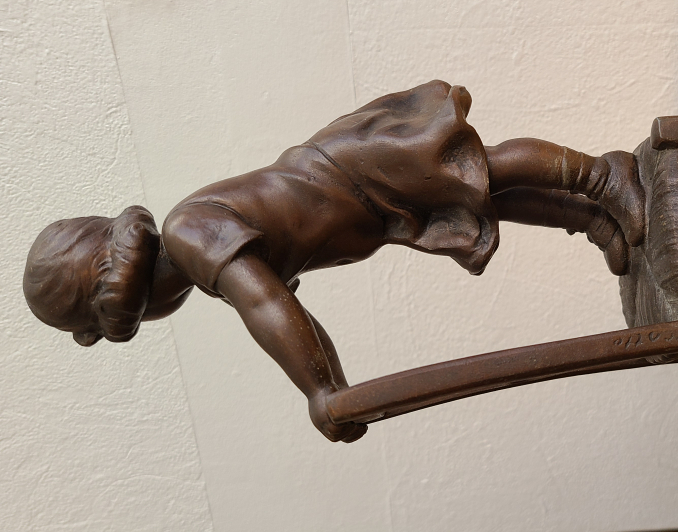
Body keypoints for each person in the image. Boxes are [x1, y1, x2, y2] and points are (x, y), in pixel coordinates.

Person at [24, 81, 644, 442]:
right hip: (362, 211)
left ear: (129, 299)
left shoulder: (190, 235)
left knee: (486, 167)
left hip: (349, 174)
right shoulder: (198, 251)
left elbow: (268, 306)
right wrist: (329, 386)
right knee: (484, 197)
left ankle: (601, 174)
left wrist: (322, 389)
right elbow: (278, 303)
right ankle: (592, 219)